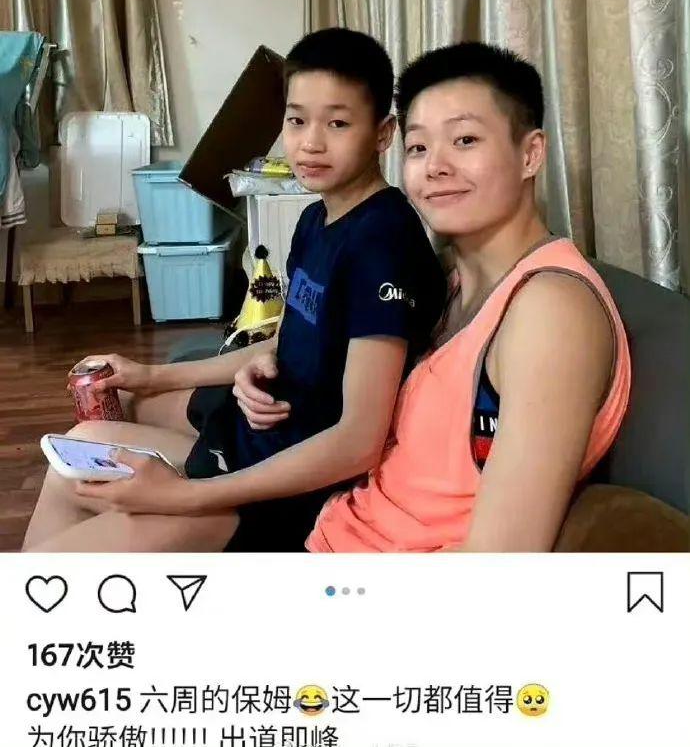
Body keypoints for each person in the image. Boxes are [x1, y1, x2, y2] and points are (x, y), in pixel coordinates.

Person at [22, 28, 447, 553]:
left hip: (283, 496)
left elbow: (358, 442)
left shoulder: (382, 244)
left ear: (383, 134)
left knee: (57, 554)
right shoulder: (316, 221)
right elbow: (291, 341)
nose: (310, 142)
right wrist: (150, 374)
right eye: (296, 120)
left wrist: (184, 497)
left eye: (337, 123)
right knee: (76, 451)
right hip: (251, 443)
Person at [305, 41, 631, 551]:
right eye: (418, 147)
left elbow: (498, 561)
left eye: (464, 140)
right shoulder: (448, 279)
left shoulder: (550, 311)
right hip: (337, 528)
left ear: (530, 154)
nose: (434, 166)